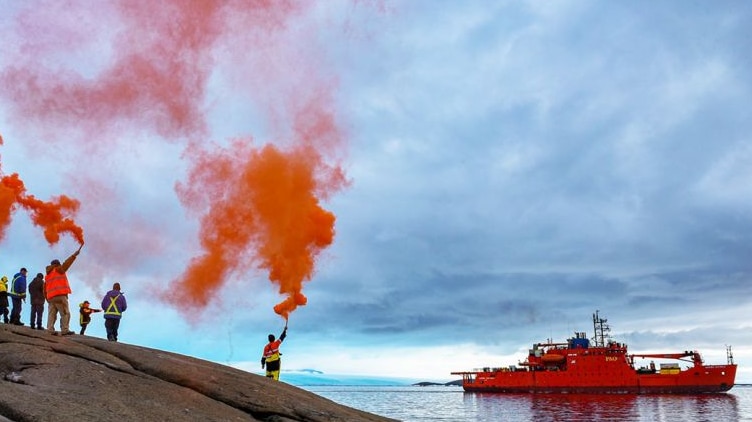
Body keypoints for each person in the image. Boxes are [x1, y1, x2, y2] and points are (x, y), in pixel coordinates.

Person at [46, 246, 82, 336]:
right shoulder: (58, 269)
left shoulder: (48, 275)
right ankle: (65, 330)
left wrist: (47, 298)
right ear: (58, 264)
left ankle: (50, 329)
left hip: (50, 297)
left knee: (51, 314)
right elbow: (67, 264)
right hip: (60, 296)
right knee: (65, 313)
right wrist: (74, 255)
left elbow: (44, 288)